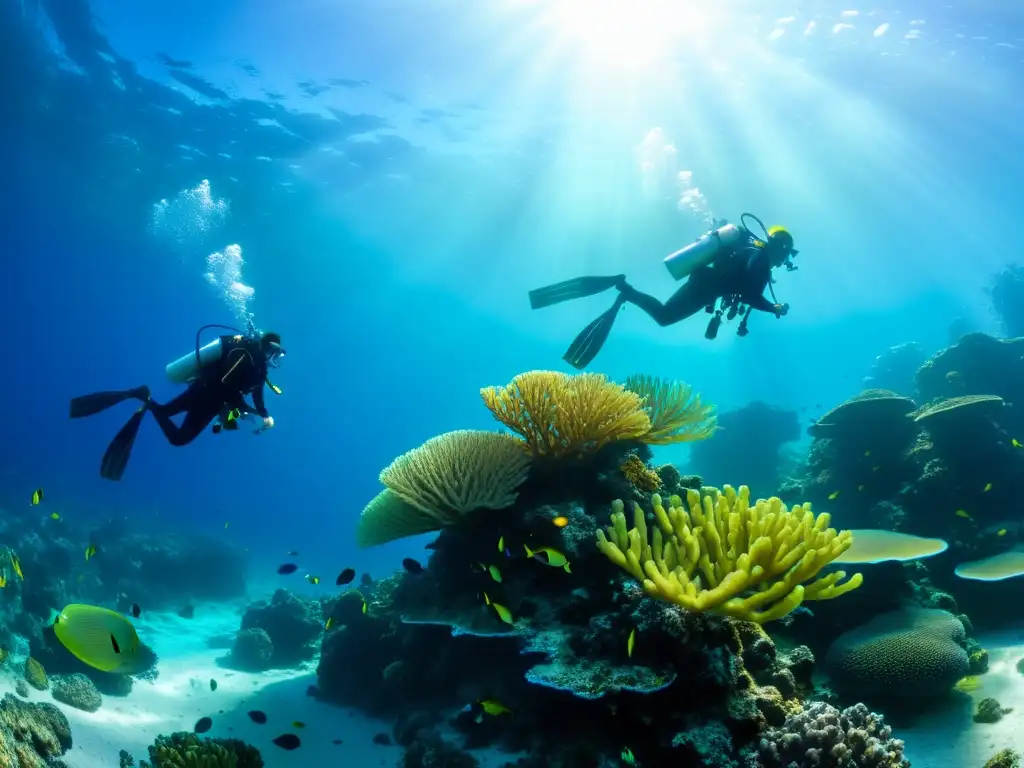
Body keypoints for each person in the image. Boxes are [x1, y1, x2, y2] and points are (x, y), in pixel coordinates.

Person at [528, 214, 798, 369]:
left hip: (703, 281)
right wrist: (773, 307)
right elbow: (750, 293)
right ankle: (625, 290)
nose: (783, 262)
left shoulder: (751, 250)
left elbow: (743, 286)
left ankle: (623, 288)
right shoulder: (760, 258)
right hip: (707, 286)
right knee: (665, 317)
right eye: (786, 256)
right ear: (782, 248)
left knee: (664, 316)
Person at [69, 326, 285, 481]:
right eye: (276, 353)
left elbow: (257, 392)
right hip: (207, 399)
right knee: (179, 439)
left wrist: (263, 413)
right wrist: (249, 410)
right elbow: (226, 383)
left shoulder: (259, 367)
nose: (277, 358)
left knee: (164, 412)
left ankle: (144, 396)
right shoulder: (247, 355)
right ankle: (145, 398)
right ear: (268, 348)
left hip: (201, 392)